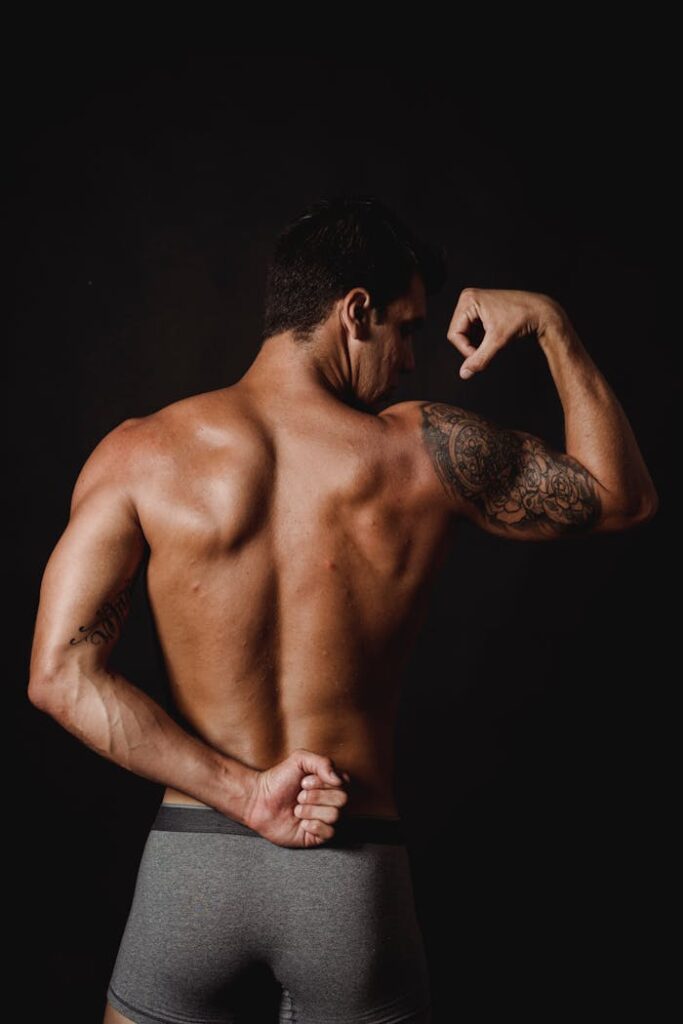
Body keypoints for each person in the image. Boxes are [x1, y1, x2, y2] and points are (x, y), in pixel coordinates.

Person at [28, 195, 659, 1024]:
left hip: (193, 865)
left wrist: (245, 793)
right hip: (349, 869)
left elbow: (59, 678)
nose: (407, 361)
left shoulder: (140, 453)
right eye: (405, 329)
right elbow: (623, 497)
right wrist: (550, 326)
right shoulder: (417, 453)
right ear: (353, 312)